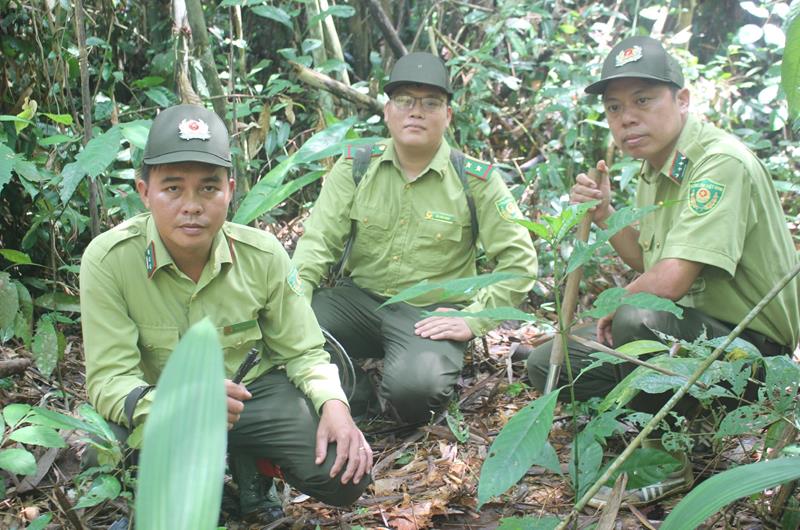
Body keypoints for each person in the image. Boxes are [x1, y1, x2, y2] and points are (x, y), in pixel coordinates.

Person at [526, 36, 800, 507]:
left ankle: (666, 459)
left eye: (643, 100)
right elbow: (646, 261)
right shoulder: (655, 169)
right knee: (549, 362)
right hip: (687, 337)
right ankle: (669, 422)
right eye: (614, 107)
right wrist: (606, 212)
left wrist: (619, 305)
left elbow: (668, 281)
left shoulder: (718, 163)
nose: (627, 118)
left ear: (683, 99)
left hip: (750, 353)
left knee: (637, 316)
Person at [80, 104, 372, 523]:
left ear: (230, 190)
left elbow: (305, 350)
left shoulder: (262, 255)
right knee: (103, 452)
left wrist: (335, 406)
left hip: (250, 399)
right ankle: (178, 483)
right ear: (144, 192)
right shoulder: (110, 261)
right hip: (164, 404)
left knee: (343, 473)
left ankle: (252, 464)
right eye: (173, 188)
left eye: (208, 188)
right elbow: (109, 381)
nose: (192, 205)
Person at [292, 52, 538, 423]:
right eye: (405, 100)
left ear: (448, 115)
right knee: (288, 327)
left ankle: (393, 389)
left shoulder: (476, 181)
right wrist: (292, 302)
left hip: (427, 316)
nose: (416, 112)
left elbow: (520, 263)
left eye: (430, 103)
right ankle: (355, 394)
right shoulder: (357, 165)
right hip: (357, 303)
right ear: (387, 111)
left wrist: (473, 318)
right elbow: (316, 244)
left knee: (415, 394)